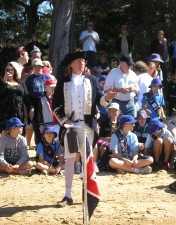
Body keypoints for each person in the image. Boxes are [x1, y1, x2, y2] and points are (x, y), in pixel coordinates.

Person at [52, 51, 117, 207]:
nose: (82, 63)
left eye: (83, 61)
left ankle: (88, 194)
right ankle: (67, 195)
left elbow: (100, 101)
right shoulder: (63, 81)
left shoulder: (92, 80)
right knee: (69, 160)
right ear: (71, 64)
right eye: (79, 61)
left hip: (87, 126)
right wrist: (66, 121)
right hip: (71, 125)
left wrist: (107, 98)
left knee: (87, 160)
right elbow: (56, 106)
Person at [0, 62, 34, 135]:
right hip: (5, 115)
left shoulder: (21, 83)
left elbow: (26, 97)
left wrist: (31, 108)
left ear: (14, 71)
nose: (9, 71)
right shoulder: (0, 82)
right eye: (7, 70)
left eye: (11, 69)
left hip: (18, 113)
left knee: (19, 134)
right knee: (6, 135)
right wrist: (4, 80)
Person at [25, 58, 51, 145]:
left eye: (40, 66)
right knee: (36, 127)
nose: (38, 68)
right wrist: (31, 107)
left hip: (45, 103)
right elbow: (27, 95)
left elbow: (51, 91)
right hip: (34, 103)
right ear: (33, 67)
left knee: (47, 127)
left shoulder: (47, 77)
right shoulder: (29, 79)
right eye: (36, 66)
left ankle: (48, 148)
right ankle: (39, 150)